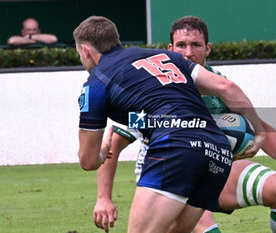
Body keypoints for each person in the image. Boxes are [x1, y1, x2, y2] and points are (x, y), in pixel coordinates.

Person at [92, 16, 276, 233]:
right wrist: (104, 198)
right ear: (170, 50)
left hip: (216, 168)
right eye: (181, 45)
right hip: (171, 173)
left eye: (195, 45)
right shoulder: (153, 91)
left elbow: (260, 127)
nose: (188, 52)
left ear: (208, 49)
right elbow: (114, 141)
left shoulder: (220, 86)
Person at [74, 16, 265, 233]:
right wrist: (258, 131)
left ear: (86, 50)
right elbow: (226, 87)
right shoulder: (164, 56)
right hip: (218, 151)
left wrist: (103, 151)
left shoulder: (95, 84)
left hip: (175, 147)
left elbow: (88, 161)